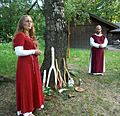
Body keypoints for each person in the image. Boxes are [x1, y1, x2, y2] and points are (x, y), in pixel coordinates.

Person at [13, 15, 44, 116]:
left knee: (33, 84)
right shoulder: (20, 35)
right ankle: (26, 111)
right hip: (25, 65)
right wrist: (34, 51)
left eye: (31, 21)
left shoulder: (29, 36)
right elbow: (18, 52)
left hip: (32, 65)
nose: (29, 23)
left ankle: (33, 105)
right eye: (27, 21)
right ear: (22, 23)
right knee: (26, 86)